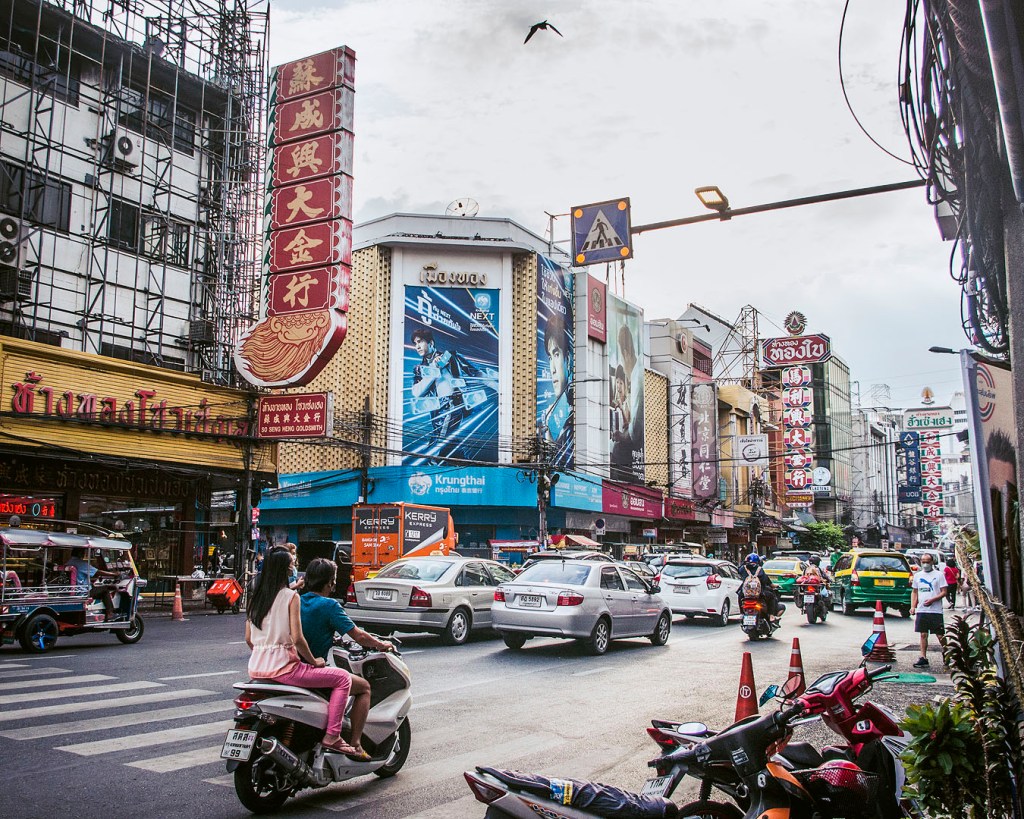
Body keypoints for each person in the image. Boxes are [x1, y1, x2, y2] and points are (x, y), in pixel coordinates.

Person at [245, 549, 366, 758]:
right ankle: (333, 736)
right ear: (285, 569)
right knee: (343, 679)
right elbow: (298, 639)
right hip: (285, 669)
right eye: (292, 564)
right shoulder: (291, 597)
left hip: (256, 669)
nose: (294, 567)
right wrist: (314, 662)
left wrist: (265, 653)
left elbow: (249, 639)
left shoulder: (256, 599)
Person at [300, 557, 394, 756]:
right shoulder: (329, 606)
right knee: (364, 687)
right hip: (311, 670)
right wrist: (381, 644)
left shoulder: (295, 601)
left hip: (289, 667)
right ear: (330, 583)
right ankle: (356, 744)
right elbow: (358, 636)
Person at [410, 327, 480, 461]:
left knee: (436, 449)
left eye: (420, 342)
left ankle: (432, 468)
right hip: (436, 413)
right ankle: (465, 465)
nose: (417, 346)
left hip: (452, 407)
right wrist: (434, 370)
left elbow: (476, 373)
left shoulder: (450, 356)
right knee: (450, 448)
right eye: (415, 344)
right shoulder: (419, 369)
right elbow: (417, 392)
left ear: (431, 343)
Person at [540, 313, 574, 466]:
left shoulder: (574, 417)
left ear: (568, 359)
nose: (552, 368)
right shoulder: (552, 417)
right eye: (550, 357)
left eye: (556, 354)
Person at [910, 553, 948, 668]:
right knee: (923, 634)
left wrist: (933, 599)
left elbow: (944, 592)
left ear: (932, 562)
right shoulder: (918, 576)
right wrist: (913, 606)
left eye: (927, 561)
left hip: (935, 610)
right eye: (923, 561)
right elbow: (915, 591)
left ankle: (947, 654)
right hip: (922, 610)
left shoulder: (939, 575)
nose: (925, 564)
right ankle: (923, 657)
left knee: (940, 635)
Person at [67, 547, 118, 620]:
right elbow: (97, 572)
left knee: (98, 588)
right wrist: (114, 574)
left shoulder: (69, 562)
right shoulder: (81, 564)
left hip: (74, 590)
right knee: (105, 590)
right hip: (83, 591)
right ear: (80, 553)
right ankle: (110, 613)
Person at [739, 553, 781, 618]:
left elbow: (738, 571)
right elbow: (767, 581)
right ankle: (771, 615)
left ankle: (741, 613)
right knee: (771, 597)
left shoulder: (743, 568)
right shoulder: (760, 569)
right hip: (760, 594)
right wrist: (773, 585)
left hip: (745, 594)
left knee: (739, 595)